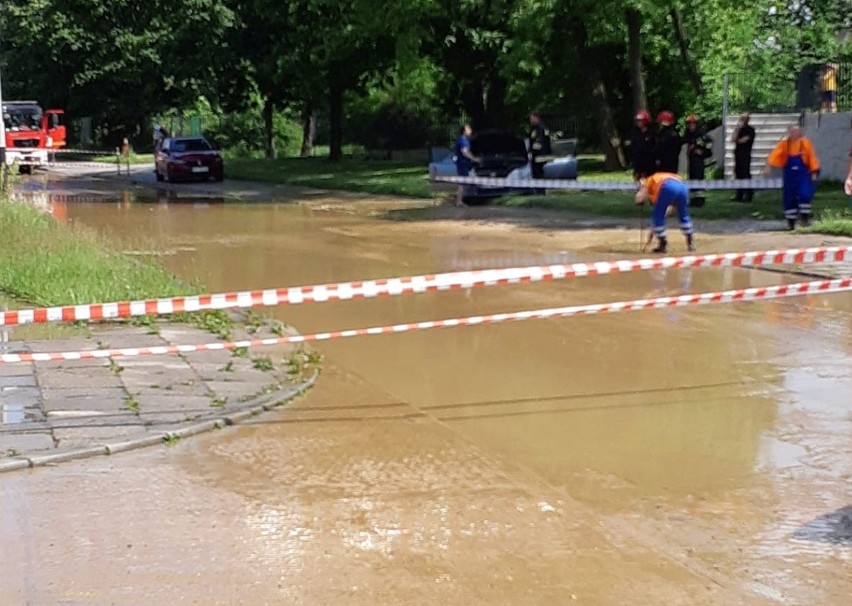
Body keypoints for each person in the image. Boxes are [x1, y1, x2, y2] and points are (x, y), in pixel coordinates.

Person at [761, 125, 820, 230]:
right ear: (789, 132)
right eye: (792, 131)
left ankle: (804, 219)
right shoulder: (784, 144)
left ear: (800, 132)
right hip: (789, 176)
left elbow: (812, 157)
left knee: (805, 195)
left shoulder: (806, 143)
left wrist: (814, 172)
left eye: (796, 131)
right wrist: (768, 167)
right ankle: (791, 223)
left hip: (804, 175)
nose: (794, 133)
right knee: (789, 198)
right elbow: (773, 155)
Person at [634, 172, 695, 253]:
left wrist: (639, 201)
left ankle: (662, 243)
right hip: (682, 188)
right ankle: (690, 240)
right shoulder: (659, 177)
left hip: (666, 187)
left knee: (657, 215)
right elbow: (669, 210)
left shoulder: (648, 180)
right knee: (683, 215)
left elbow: (639, 197)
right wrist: (654, 229)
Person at [683, 114, 713, 207]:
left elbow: (709, 144)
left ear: (696, 124)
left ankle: (700, 201)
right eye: (689, 124)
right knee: (692, 178)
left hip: (699, 160)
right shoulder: (688, 133)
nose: (691, 125)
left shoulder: (701, 133)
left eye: (693, 124)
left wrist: (702, 152)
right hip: (691, 160)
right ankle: (693, 200)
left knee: (698, 177)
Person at [453, 124, 480, 207]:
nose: (470, 130)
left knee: (465, 182)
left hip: (466, 164)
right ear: (464, 131)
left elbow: (468, 151)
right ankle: (459, 201)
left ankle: (462, 199)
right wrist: (474, 159)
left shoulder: (465, 140)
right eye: (468, 129)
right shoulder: (462, 140)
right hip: (463, 165)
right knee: (462, 183)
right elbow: (465, 152)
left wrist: (473, 157)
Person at [731, 113, 756, 202]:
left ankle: (748, 195)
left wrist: (738, 140)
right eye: (741, 118)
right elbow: (733, 139)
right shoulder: (739, 129)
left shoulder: (751, 130)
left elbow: (744, 140)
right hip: (737, 155)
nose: (742, 120)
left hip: (745, 155)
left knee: (746, 174)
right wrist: (738, 127)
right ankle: (739, 195)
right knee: (738, 174)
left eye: (744, 118)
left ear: (748, 119)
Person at [628, 109, 656, 180]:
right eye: (637, 120)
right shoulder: (634, 133)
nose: (638, 122)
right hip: (637, 162)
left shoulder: (651, 133)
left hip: (649, 163)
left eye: (640, 120)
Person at [528, 111, 552, 191]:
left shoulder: (540, 128)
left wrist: (531, 152)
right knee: (539, 173)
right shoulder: (539, 127)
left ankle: (540, 190)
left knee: (538, 173)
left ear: (536, 117)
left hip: (539, 155)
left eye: (531, 118)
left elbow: (539, 143)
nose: (530, 120)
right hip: (541, 155)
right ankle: (540, 190)